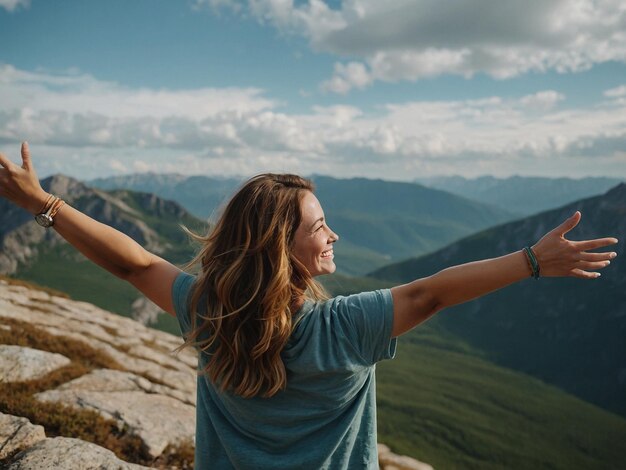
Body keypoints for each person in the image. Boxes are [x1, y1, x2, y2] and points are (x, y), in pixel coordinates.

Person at [0, 142, 618, 469]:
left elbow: (131, 262)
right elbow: (430, 292)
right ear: (282, 246)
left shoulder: (207, 310)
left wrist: (44, 205)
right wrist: (533, 261)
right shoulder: (344, 328)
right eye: (320, 226)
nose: (333, 235)